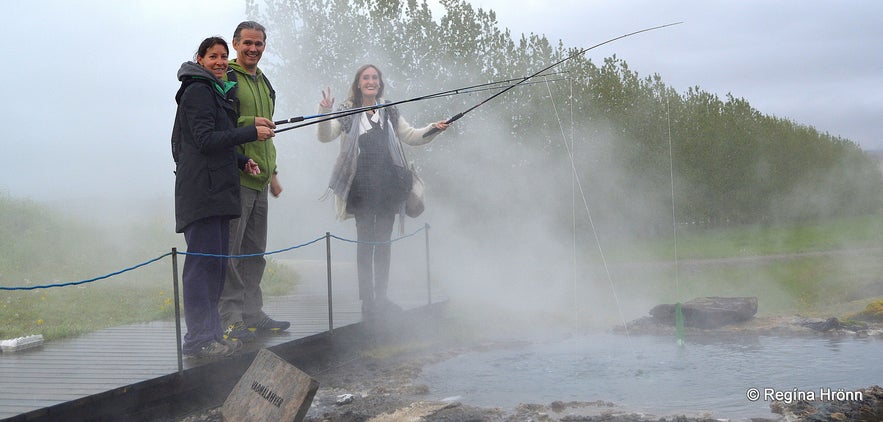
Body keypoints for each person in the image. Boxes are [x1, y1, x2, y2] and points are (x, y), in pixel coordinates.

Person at [317, 64, 449, 318]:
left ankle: (382, 297)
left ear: (380, 83)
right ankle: (368, 301)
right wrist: (324, 111)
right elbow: (325, 136)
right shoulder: (347, 110)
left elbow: (411, 136)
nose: (371, 81)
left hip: (388, 185)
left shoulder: (388, 109)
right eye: (366, 77)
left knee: (384, 243)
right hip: (360, 185)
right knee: (366, 243)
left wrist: (435, 128)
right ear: (358, 83)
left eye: (374, 78)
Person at [172, 36, 275, 358]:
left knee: (215, 267)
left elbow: (213, 144)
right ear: (200, 59)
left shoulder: (216, 92)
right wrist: (249, 133)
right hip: (202, 193)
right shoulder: (197, 91)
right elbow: (203, 140)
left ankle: (213, 335)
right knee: (201, 268)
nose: (219, 62)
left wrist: (242, 160)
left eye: (222, 56)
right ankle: (198, 339)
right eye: (213, 56)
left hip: (217, 191)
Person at [219, 21, 290, 342]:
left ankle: (252, 313)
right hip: (236, 178)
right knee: (232, 253)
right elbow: (221, 123)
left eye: (259, 44)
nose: (253, 49)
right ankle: (230, 318)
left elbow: (267, 135)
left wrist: (273, 175)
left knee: (254, 253)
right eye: (247, 43)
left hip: (261, 180)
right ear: (235, 44)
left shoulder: (264, 81)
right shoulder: (227, 78)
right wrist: (250, 122)